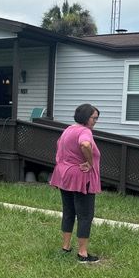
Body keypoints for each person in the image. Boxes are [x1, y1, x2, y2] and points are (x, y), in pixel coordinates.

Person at [49, 103, 101, 263]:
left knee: (69, 211)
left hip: (64, 175)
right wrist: (90, 162)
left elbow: (59, 146)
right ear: (86, 117)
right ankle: (83, 253)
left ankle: (66, 247)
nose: (95, 121)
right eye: (94, 118)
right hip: (79, 176)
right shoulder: (85, 131)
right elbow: (85, 144)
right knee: (85, 215)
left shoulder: (68, 129)